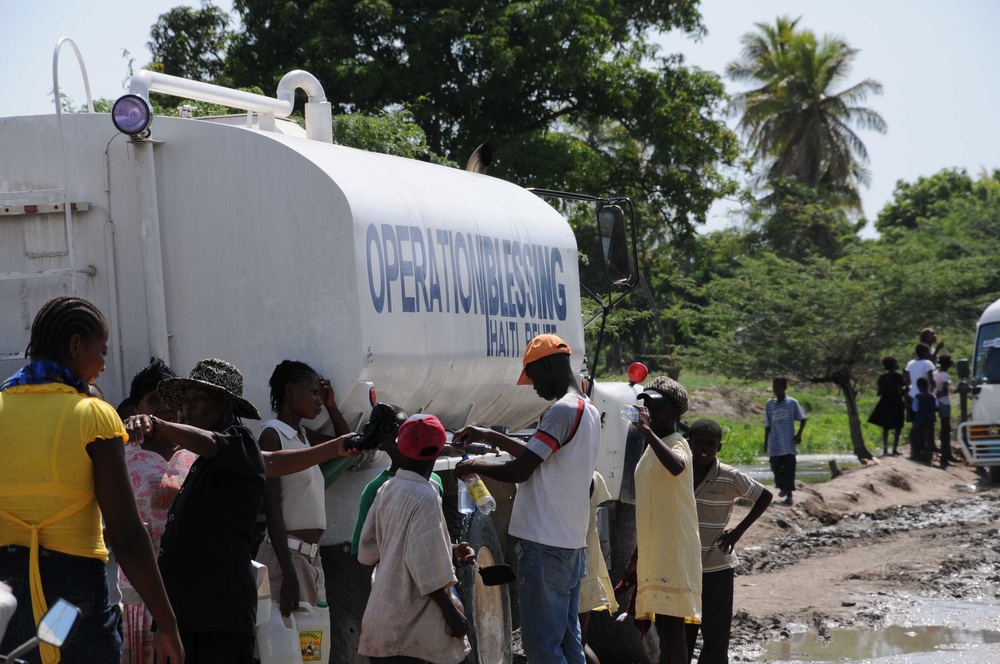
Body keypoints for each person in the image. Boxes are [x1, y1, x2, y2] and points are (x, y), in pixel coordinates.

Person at [0, 296, 183, 664]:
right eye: (101, 351)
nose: (102, 364)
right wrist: (168, 624)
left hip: (6, 596)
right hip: (70, 600)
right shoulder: (93, 416)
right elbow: (127, 536)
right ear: (75, 345)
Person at [454, 334, 600, 664]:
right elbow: (539, 457)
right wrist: (490, 435)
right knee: (567, 644)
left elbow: (522, 469)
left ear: (547, 365)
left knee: (542, 649)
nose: (533, 387)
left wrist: (473, 464)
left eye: (533, 377)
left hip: (544, 544)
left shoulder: (560, 411)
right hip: (569, 543)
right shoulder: (585, 408)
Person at [124, 358, 266, 663]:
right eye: (185, 402)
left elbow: (214, 443)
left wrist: (159, 424)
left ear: (226, 406)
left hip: (219, 618)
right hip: (188, 616)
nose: (186, 409)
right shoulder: (202, 462)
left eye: (197, 400)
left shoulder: (240, 443)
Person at [357, 414, 470, 664]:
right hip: (409, 632)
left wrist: (448, 549)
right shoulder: (424, 496)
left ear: (401, 445)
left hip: (381, 620)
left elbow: (367, 553)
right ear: (441, 449)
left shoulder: (387, 489)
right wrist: (452, 614)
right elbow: (425, 568)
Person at [258, 360, 352, 618]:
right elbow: (273, 510)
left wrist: (332, 406)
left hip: (310, 559)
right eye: (313, 393)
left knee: (311, 649)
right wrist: (288, 574)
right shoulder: (273, 436)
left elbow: (349, 448)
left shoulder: (303, 436)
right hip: (285, 558)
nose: (319, 400)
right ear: (289, 392)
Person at [120, 358, 196, 664]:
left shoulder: (196, 455)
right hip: (138, 596)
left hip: (188, 592)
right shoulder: (121, 456)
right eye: (154, 400)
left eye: (171, 399)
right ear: (136, 408)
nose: (165, 407)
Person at [622, 376, 702, 664]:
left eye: (656, 408)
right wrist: (636, 557)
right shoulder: (651, 447)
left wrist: (646, 432)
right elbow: (651, 510)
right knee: (664, 629)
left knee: (672, 629)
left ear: (674, 412)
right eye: (646, 406)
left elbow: (678, 466)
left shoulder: (676, 443)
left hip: (674, 550)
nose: (649, 412)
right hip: (657, 552)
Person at [685, 419, 772, 664]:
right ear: (689, 443)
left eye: (710, 444)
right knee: (684, 629)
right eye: (699, 442)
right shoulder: (680, 471)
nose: (704, 448)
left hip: (716, 566)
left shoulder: (729, 476)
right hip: (684, 565)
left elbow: (764, 496)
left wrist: (738, 532)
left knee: (715, 632)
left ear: (719, 447)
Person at [350, 430, 443, 558]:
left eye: (408, 435)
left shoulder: (434, 481)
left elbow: (437, 531)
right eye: (396, 437)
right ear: (381, 444)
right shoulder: (376, 488)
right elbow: (359, 549)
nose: (403, 441)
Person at [579, 471, 618, 664]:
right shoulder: (594, 476)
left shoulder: (576, 477)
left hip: (574, 570)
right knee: (580, 642)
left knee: (573, 643)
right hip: (586, 566)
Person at [764, 377, 807, 506]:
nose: (775, 390)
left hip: (788, 443)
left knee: (789, 469)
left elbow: (802, 419)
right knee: (775, 467)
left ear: (785, 387)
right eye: (774, 387)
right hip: (775, 442)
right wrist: (765, 442)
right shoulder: (770, 404)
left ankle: (789, 496)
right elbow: (768, 425)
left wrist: (798, 435)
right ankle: (782, 487)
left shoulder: (792, 403)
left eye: (778, 387)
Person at [867, 356, 906, 457]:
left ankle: (885, 449)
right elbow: (900, 391)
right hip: (896, 401)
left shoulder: (882, 377)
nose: (898, 364)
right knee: (898, 426)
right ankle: (894, 449)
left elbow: (879, 392)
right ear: (893, 365)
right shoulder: (898, 377)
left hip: (885, 402)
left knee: (886, 427)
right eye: (897, 362)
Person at [904, 344, 936, 455]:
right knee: (928, 425)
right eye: (928, 352)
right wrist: (931, 392)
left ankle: (915, 450)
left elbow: (907, 381)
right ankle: (927, 450)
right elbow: (932, 380)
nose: (929, 354)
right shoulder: (928, 363)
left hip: (912, 396)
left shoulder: (910, 363)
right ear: (923, 352)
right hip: (925, 397)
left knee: (916, 425)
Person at [911, 377, 938, 464]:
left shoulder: (917, 397)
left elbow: (915, 409)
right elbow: (936, 407)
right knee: (929, 438)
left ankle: (916, 454)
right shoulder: (932, 396)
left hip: (920, 419)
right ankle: (928, 458)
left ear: (919, 386)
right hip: (930, 419)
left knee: (915, 436)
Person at [934, 354, 955, 467]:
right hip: (944, 402)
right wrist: (941, 395)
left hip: (937, 402)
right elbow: (944, 391)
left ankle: (946, 455)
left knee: (944, 428)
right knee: (946, 429)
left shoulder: (935, 373)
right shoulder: (945, 375)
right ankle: (945, 456)